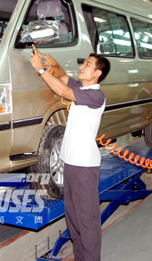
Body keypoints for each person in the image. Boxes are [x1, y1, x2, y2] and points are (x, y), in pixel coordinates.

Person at [30, 44, 110, 261]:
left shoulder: (96, 96)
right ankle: (80, 257)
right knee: (73, 216)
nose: (83, 66)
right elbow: (63, 77)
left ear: (97, 73)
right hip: (70, 162)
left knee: (87, 219)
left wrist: (40, 69)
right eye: (84, 63)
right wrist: (50, 60)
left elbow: (62, 90)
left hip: (85, 165)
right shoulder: (82, 89)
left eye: (88, 65)